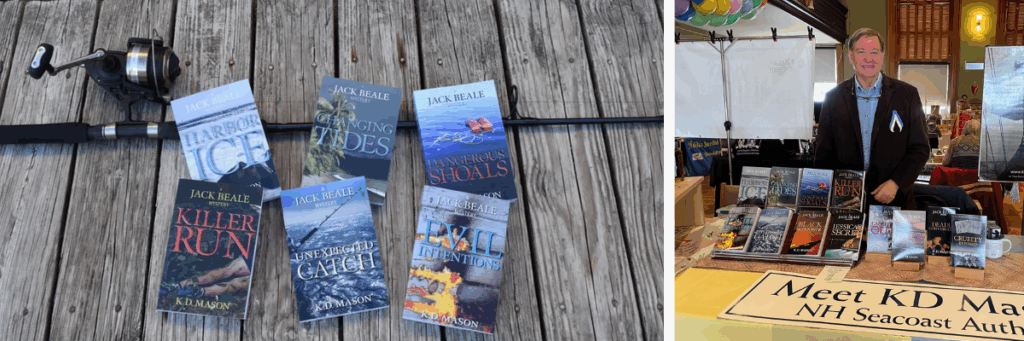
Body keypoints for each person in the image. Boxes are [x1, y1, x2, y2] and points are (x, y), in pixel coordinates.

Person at [814, 28, 930, 210]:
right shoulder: (832, 98)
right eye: (861, 52)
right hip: (846, 204)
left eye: (874, 52)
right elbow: (823, 157)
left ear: (882, 55)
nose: (868, 59)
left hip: (895, 201)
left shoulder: (907, 95)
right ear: (851, 56)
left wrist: (896, 182)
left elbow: (920, 148)